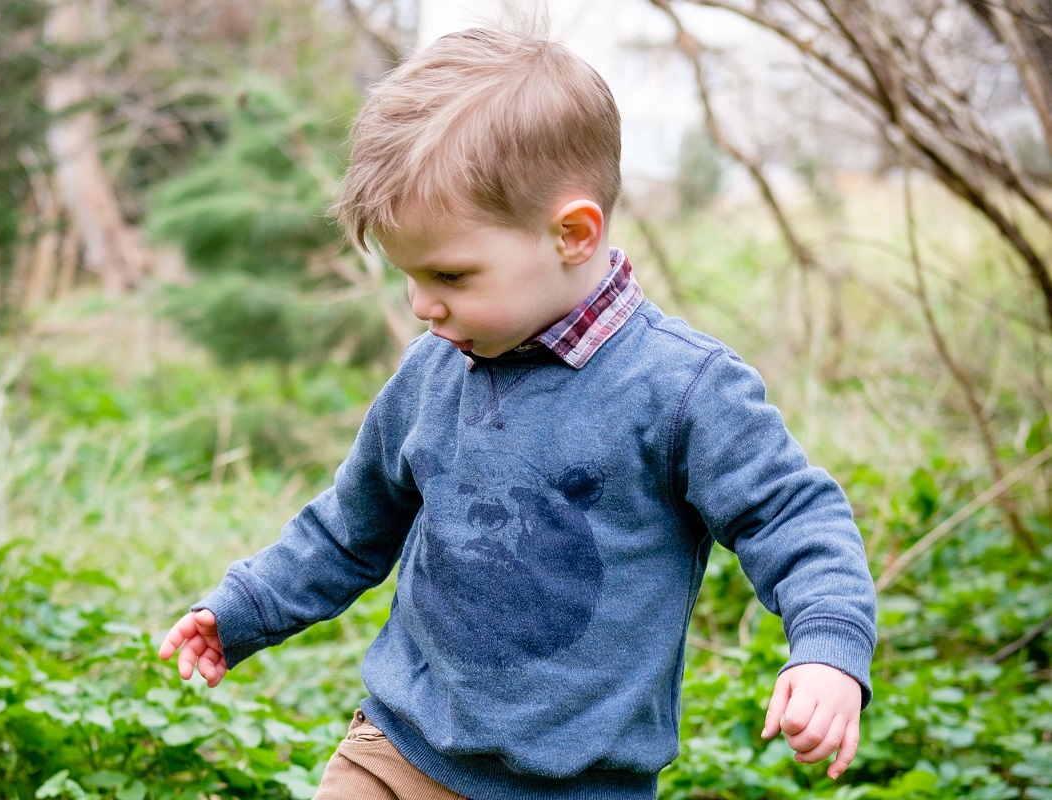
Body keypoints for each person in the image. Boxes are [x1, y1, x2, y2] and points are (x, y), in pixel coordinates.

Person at [158, 26, 877, 800]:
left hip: (575, 784)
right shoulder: (431, 374)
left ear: (571, 234)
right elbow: (349, 526)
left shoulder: (682, 391)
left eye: (450, 274)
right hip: (396, 753)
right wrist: (246, 608)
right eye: (406, 274)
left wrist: (827, 648)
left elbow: (795, 521)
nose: (422, 304)